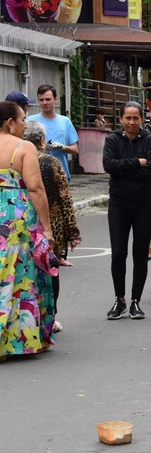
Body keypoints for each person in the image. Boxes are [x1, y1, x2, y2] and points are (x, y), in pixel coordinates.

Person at [0, 100, 56, 356]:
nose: (25, 124)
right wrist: (46, 228)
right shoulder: (24, 147)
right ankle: (19, 339)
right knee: (20, 274)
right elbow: (35, 188)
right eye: (22, 119)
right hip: (16, 216)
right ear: (9, 122)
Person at [102, 102, 151, 322]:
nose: (132, 122)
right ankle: (120, 299)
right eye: (128, 118)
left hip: (145, 203)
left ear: (141, 119)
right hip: (119, 203)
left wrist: (124, 169)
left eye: (136, 118)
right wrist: (137, 162)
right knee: (118, 253)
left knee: (140, 253)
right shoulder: (113, 140)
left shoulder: (149, 140)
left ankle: (136, 300)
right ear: (121, 119)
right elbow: (108, 165)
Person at [22, 119, 78, 329]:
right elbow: (65, 198)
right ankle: (50, 317)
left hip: (24, 221)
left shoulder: (16, 160)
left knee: (27, 272)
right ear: (43, 141)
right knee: (51, 270)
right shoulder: (51, 162)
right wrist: (73, 231)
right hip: (51, 224)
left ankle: (28, 315)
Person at [29, 85, 79, 182]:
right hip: (37, 174)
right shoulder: (31, 121)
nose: (44, 103)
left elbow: (75, 149)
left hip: (60, 174)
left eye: (48, 99)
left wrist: (63, 147)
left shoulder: (65, 122)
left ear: (56, 100)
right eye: (41, 100)